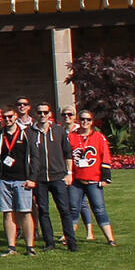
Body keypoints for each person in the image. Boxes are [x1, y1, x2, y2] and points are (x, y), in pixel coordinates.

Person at [28, 102, 76, 252]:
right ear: (36, 114)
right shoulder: (30, 132)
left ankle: (71, 242)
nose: (42, 115)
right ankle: (49, 242)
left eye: (45, 112)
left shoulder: (59, 130)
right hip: (40, 179)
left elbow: (68, 153)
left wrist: (69, 173)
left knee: (64, 210)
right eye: (39, 112)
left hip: (58, 177)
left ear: (50, 114)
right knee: (43, 210)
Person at [0, 107, 36, 256]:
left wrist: (32, 178)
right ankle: (11, 246)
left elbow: (35, 158)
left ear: (16, 116)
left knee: (25, 212)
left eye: (10, 116)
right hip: (4, 180)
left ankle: (30, 246)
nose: (8, 119)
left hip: (23, 180)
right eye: (5, 117)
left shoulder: (27, 134)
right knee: (7, 213)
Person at [67, 110, 116, 247]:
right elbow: (67, 156)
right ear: (78, 120)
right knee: (73, 208)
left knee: (99, 209)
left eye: (88, 120)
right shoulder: (71, 137)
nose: (85, 122)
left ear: (92, 121)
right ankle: (69, 237)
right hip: (76, 180)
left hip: (94, 180)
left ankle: (110, 239)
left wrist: (105, 177)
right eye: (82, 119)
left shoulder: (99, 137)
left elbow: (105, 156)